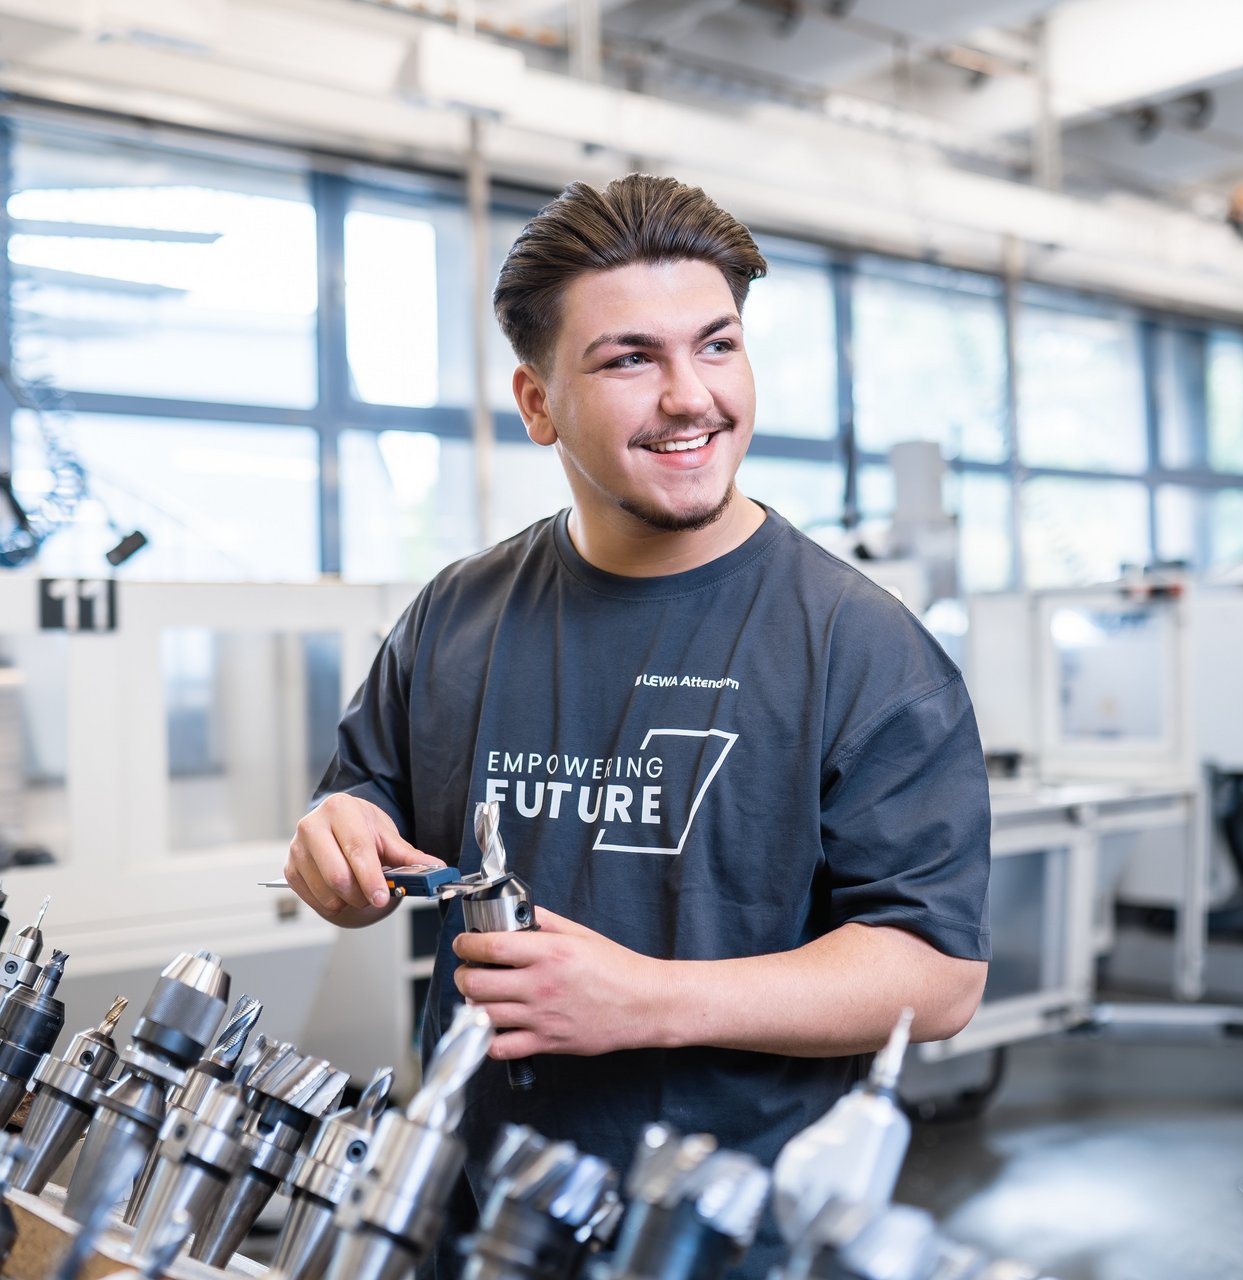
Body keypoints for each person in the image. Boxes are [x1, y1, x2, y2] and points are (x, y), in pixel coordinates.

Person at [285, 173, 991, 1278]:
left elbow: (935, 971)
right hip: (462, 1208)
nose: (688, 396)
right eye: (628, 359)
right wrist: (337, 831)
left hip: (728, 1232)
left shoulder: (862, 649)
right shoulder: (455, 615)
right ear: (535, 402)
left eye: (715, 346)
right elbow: (364, 795)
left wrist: (650, 999)